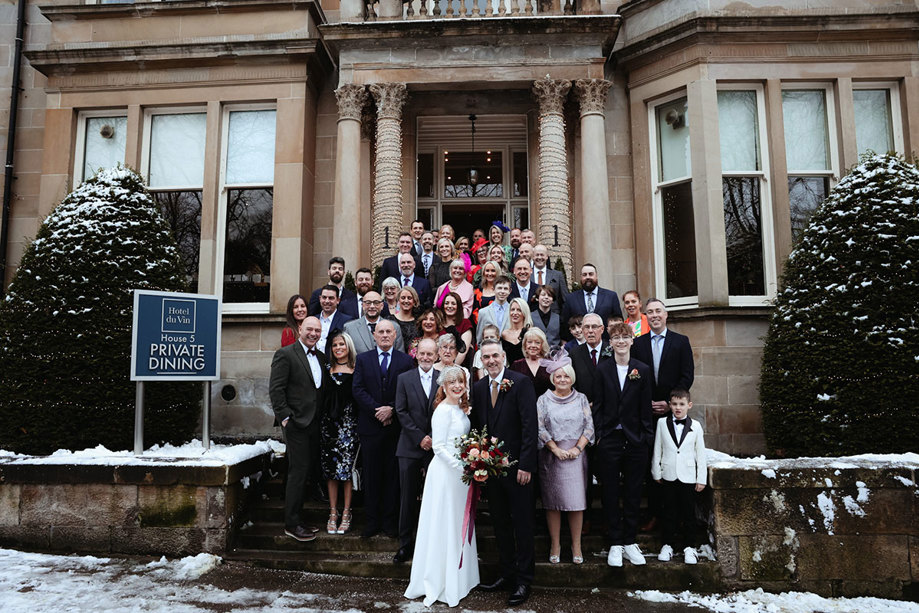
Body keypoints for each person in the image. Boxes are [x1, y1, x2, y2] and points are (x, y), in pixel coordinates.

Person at [404, 365, 479, 607]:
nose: (457, 386)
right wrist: (463, 467)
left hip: (461, 475)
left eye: (461, 382)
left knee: (459, 521)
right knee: (444, 523)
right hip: (446, 474)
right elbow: (439, 447)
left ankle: (460, 577)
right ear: (444, 387)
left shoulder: (460, 409)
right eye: (452, 383)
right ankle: (442, 580)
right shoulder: (442, 411)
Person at [473, 340, 538, 607]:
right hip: (492, 470)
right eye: (486, 357)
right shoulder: (478, 388)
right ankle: (507, 573)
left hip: (517, 468)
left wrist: (526, 464)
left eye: (495, 356)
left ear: (503, 357)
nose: (491, 361)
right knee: (500, 523)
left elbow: (529, 426)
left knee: (522, 524)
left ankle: (524, 580)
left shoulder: (520, 383)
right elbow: (478, 428)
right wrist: (479, 465)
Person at [630, 298, 694, 532]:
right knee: (651, 463)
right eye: (650, 312)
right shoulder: (638, 344)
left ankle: (675, 515)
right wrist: (646, 404)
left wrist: (669, 404)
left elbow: (687, 376)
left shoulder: (680, 342)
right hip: (647, 414)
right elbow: (633, 377)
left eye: (658, 311)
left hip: (672, 413)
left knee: (673, 462)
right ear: (645, 317)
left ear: (666, 315)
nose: (655, 315)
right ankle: (655, 513)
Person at [593, 322, 653, 567]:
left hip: (635, 438)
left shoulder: (642, 370)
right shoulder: (602, 369)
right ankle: (615, 542)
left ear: (631, 341)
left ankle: (630, 540)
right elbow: (598, 404)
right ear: (610, 343)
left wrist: (646, 437)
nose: (620, 341)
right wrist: (599, 435)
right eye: (615, 337)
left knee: (633, 490)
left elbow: (646, 407)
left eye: (624, 337)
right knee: (610, 491)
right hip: (609, 438)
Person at [352, 319, 415, 538]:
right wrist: (377, 410)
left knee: (392, 476)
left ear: (395, 335)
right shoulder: (362, 359)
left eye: (389, 331)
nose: (385, 335)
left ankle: (389, 522)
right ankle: (371, 522)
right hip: (370, 426)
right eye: (381, 332)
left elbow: (408, 392)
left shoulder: (406, 361)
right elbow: (358, 389)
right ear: (374, 336)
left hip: (395, 428)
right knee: (371, 475)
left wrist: (392, 410)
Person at [269, 316, 324, 542]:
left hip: (314, 423)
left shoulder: (320, 356)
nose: (313, 333)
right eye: (309, 329)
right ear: (300, 328)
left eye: (317, 330)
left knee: (307, 471)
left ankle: (299, 518)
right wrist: (285, 418)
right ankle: (291, 523)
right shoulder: (286, 354)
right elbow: (276, 389)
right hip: (295, 424)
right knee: (298, 471)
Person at [536, 357, 594, 564]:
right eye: (558, 376)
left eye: (566, 376)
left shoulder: (581, 398)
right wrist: (555, 449)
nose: (562, 379)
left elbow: (589, 426)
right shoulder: (543, 399)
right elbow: (540, 427)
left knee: (576, 502)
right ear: (553, 378)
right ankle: (555, 544)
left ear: (572, 378)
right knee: (553, 503)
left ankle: (576, 545)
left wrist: (578, 448)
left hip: (576, 456)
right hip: (552, 456)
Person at [393, 338, 438, 563]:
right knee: (408, 496)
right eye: (423, 353)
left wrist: (432, 438)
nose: (426, 357)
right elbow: (400, 411)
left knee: (433, 498)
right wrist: (420, 438)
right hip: (410, 446)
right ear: (416, 354)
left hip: (435, 448)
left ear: (436, 356)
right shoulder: (404, 379)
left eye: (431, 354)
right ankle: (405, 544)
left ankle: (429, 544)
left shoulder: (443, 379)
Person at [651, 388, 707, 565]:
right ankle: (667, 544)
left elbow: (700, 454)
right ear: (669, 405)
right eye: (674, 404)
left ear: (689, 405)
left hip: (688, 476)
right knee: (668, 511)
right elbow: (657, 448)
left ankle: (689, 547)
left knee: (688, 513)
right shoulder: (661, 423)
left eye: (681, 404)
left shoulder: (696, 426)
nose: (678, 408)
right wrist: (656, 471)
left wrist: (701, 478)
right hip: (668, 474)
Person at [320, 330, 359, 535]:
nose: (338, 349)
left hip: (349, 427)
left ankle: (346, 512)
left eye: (342, 345)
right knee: (331, 471)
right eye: (335, 345)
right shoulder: (326, 369)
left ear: (349, 346)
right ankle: (333, 512)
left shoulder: (356, 368)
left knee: (346, 471)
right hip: (329, 426)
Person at [561, 264, 623, 339]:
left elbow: (618, 322)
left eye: (591, 274)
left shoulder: (610, 296)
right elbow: (565, 324)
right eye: (584, 275)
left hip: (605, 344)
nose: (587, 277)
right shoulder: (571, 298)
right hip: (580, 346)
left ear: (596, 276)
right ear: (581, 278)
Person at [510, 327, 552, 399]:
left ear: (542, 345)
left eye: (537, 342)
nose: (533, 346)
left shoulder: (550, 363)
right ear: (525, 345)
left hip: (547, 406)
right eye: (529, 342)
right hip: (523, 407)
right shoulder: (516, 365)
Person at [316, 285, 354, 352]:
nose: (327, 301)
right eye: (324, 297)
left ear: (338, 300)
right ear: (320, 298)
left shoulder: (347, 321)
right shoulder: (313, 319)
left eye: (331, 298)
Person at [476, 275, 512, 344]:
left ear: (510, 291)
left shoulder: (513, 311)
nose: (502, 291)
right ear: (493, 289)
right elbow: (480, 340)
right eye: (499, 288)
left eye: (505, 289)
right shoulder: (483, 312)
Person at [440, 291, 473, 366]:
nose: (450, 306)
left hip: (456, 367)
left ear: (458, 306)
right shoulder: (438, 323)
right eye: (447, 303)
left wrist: (450, 368)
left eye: (453, 303)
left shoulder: (465, 323)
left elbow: (463, 351)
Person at [532, 244, 567, 309]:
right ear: (533, 257)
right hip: (532, 315)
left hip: (553, 315)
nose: (539, 257)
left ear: (547, 257)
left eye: (542, 255)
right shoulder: (527, 275)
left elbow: (564, 299)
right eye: (537, 255)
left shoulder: (558, 275)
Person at [500, 298, 532, 365]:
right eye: (512, 310)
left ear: (524, 313)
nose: (515, 313)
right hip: (510, 372)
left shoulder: (530, 332)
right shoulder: (504, 334)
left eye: (519, 310)